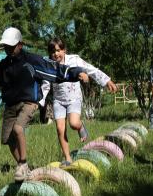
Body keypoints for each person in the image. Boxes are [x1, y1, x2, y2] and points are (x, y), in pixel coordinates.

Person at [0, 27, 89, 181]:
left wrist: (75, 73)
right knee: (8, 139)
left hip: (29, 102)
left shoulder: (32, 60)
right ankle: (24, 169)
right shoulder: (4, 64)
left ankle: (23, 163)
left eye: (11, 46)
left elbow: (55, 70)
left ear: (20, 45)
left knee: (18, 128)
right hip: (10, 105)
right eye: (5, 46)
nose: (8, 49)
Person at [43, 37, 117, 166]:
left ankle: (80, 126)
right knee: (60, 130)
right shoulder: (49, 64)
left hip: (74, 98)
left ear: (64, 50)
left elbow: (90, 69)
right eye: (52, 52)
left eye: (58, 50)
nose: (56, 54)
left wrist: (107, 81)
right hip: (58, 100)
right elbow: (45, 84)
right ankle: (67, 158)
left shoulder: (74, 60)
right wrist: (40, 100)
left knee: (73, 123)